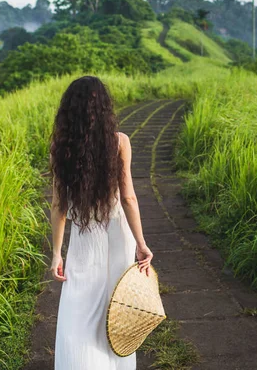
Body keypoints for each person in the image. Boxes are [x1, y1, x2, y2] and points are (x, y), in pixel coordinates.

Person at [49, 75, 153, 370]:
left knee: (79, 304)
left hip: (84, 236)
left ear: (69, 111)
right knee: (117, 304)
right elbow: (129, 198)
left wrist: (57, 252)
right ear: (105, 109)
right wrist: (142, 244)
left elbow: (59, 206)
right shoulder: (119, 142)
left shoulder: (61, 146)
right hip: (119, 234)